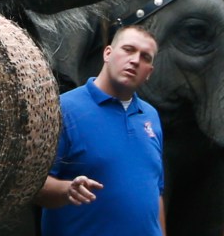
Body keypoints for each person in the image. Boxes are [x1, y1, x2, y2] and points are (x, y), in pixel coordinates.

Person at [34, 25, 166, 236]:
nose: (135, 60)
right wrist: (67, 190)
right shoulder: (62, 109)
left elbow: (155, 191)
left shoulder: (150, 116)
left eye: (145, 57)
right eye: (128, 49)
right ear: (107, 53)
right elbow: (34, 187)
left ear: (149, 72)